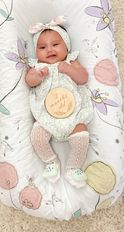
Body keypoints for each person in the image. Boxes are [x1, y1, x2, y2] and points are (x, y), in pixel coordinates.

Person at [25, 16, 93, 188]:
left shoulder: (71, 60)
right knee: (37, 135)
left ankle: (73, 167)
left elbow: (83, 78)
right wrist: (37, 76)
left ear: (66, 46)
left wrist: (69, 69)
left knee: (82, 133)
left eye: (55, 44)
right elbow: (29, 81)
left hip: (74, 113)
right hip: (47, 116)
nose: (49, 50)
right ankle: (51, 162)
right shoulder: (38, 67)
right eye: (42, 47)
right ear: (36, 52)